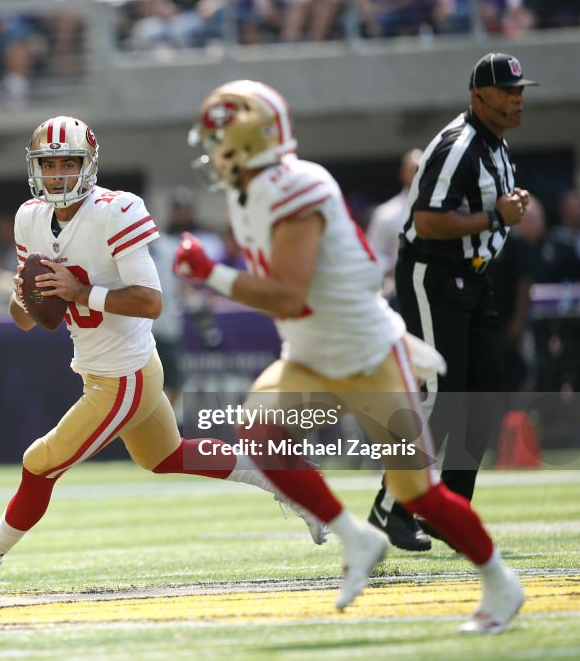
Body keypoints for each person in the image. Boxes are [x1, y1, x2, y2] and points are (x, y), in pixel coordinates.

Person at [0, 115, 327, 590]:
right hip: (103, 367)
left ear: (88, 164)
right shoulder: (29, 217)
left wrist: (80, 292)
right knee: (167, 456)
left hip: (124, 373)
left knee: (39, 461)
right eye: (48, 165)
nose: (57, 175)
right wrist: (26, 296)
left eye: (68, 163)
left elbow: (151, 301)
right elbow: (26, 318)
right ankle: (282, 476)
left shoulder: (117, 211)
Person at [173, 80, 522, 632]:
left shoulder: (294, 185)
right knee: (259, 436)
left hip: (365, 357)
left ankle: (502, 583)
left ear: (246, 137)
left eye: (219, 138)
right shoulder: (251, 191)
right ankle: (356, 537)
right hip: (312, 352)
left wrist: (210, 274)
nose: (213, 151)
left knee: (421, 496)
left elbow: (289, 292)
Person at [367, 53, 537, 550]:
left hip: (474, 279)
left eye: (521, 91)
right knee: (442, 393)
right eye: (508, 91)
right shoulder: (458, 144)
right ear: (478, 96)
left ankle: (447, 510)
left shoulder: (496, 146)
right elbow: (426, 221)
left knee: (485, 395)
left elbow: (490, 209)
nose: (517, 99)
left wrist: (506, 209)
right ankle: (390, 507)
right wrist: (497, 218)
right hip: (433, 275)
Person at [365, 149, 422, 305]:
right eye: (413, 169)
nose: (418, 174)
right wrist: (396, 268)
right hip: (400, 296)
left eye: (422, 169)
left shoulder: (446, 211)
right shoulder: (386, 214)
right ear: (403, 174)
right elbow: (372, 256)